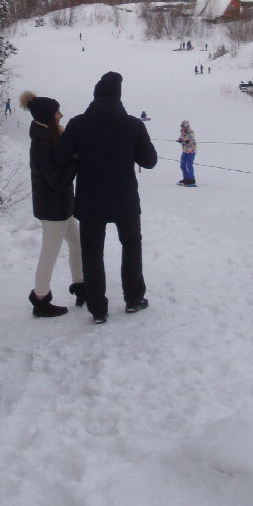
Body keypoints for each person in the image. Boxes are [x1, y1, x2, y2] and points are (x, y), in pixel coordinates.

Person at [55, 71, 157, 324]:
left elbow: (60, 158)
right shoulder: (133, 125)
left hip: (91, 200)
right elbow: (150, 161)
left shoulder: (78, 124)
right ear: (119, 97)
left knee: (92, 252)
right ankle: (133, 298)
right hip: (124, 199)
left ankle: (98, 309)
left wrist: (80, 154)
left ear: (95, 96)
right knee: (131, 245)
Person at [20, 91, 82, 317]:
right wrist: (75, 161)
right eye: (57, 113)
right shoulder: (41, 144)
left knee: (77, 245)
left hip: (63, 206)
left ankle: (80, 285)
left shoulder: (50, 136)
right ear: (48, 116)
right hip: (53, 209)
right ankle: (40, 298)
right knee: (49, 254)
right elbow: (57, 181)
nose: (61, 115)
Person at [177, 120, 197, 186]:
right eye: (181, 126)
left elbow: (191, 139)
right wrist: (180, 140)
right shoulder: (182, 131)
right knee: (182, 165)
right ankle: (185, 178)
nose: (182, 128)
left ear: (187, 126)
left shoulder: (190, 132)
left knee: (189, 165)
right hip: (185, 150)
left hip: (191, 151)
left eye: (184, 126)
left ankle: (191, 179)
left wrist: (188, 141)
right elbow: (182, 137)